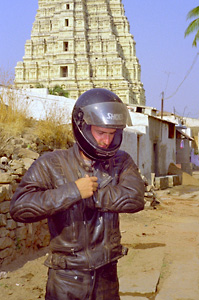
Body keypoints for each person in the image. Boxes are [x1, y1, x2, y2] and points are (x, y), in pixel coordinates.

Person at [10, 88, 145, 300]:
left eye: (112, 134)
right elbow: (20, 207)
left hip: (107, 276)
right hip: (66, 277)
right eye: (100, 133)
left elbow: (135, 198)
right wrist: (72, 191)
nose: (106, 141)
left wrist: (93, 195)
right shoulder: (51, 163)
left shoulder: (121, 161)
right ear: (82, 127)